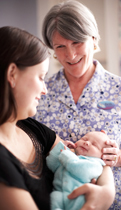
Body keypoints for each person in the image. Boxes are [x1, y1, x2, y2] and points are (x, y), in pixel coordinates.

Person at [34, 0, 121, 209]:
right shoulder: (41, 92)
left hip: (118, 203)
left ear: (93, 39)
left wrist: (120, 157)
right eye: (60, 46)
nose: (70, 55)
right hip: (60, 203)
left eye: (77, 42)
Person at [0, 26, 115, 210]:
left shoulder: (31, 129)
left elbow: (86, 159)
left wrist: (108, 191)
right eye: (40, 77)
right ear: (12, 74)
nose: (45, 90)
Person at [47, 131, 110, 210]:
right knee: (53, 199)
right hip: (59, 192)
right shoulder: (69, 155)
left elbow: (78, 168)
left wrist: (66, 154)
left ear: (102, 156)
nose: (86, 143)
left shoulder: (96, 164)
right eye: (84, 139)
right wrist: (60, 148)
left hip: (79, 198)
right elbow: (51, 165)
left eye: (94, 145)